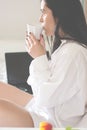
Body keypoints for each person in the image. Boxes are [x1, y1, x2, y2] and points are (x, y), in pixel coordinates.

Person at [0, 0, 87, 127]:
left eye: (44, 12)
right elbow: (46, 92)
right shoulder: (67, 48)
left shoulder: (73, 54)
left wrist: (39, 58)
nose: (40, 19)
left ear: (60, 14)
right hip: (44, 109)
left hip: (50, 120)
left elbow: (45, 99)